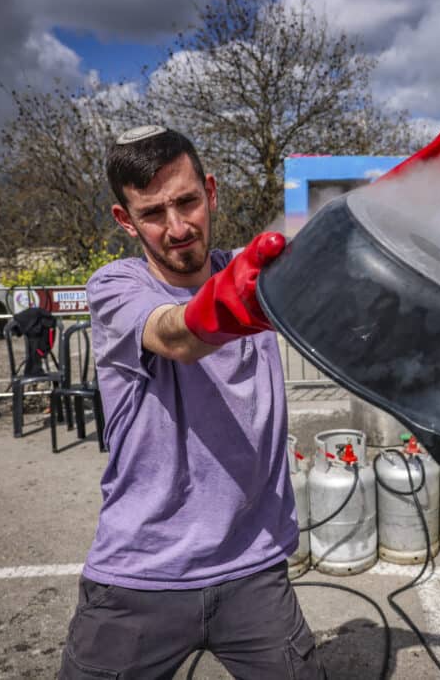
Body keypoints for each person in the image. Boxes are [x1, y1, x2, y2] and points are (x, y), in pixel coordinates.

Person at [58, 125, 323, 679]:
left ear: (212, 192)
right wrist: (249, 298)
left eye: (187, 201)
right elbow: (179, 337)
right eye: (153, 213)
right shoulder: (117, 286)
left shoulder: (254, 274)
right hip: (139, 576)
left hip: (254, 569)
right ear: (125, 220)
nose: (177, 228)